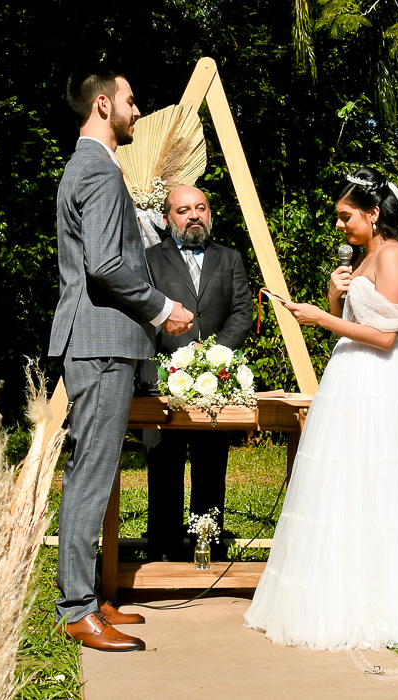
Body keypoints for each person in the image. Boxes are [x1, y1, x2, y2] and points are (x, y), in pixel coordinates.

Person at [243, 167, 398, 651]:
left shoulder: (392, 254)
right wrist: (335, 296)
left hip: (379, 380)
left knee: (378, 477)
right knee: (341, 479)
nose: (339, 225)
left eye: (345, 216)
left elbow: (385, 336)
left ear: (373, 213)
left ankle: (384, 595)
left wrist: (321, 317)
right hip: (348, 376)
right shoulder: (363, 254)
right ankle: (337, 590)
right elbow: (356, 318)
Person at [48, 65, 194, 652]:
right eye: (131, 101)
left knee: (98, 473)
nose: (138, 111)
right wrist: (163, 309)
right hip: (103, 343)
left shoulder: (88, 166)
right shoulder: (99, 171)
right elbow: (106, 266)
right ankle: (77, 610)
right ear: (104, 105)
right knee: (91, 475)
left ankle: (92, 597)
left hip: (102, 342)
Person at [142, 185, 252, 562]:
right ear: (166, 219)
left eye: (200, 208)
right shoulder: (148, 260)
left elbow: (242, 311)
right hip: (163, 379)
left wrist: (213, 356)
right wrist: (180, 359)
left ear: (209, 214)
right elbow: (143, 312)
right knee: (163, 466)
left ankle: (208, 545)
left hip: (214, 380)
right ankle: (164, 550)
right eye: (183, 210)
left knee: (211, 466)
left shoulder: (230, 258)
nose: (194, 215)